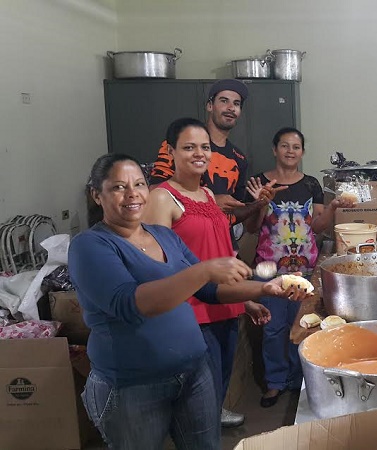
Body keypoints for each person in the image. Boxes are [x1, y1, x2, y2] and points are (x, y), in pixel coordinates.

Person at [69, 153, 311, 449]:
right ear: (97, 194)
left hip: (194, 372)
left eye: (139, 184)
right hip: (132, 384)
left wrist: (265, 289)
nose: (132, 194)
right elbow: (130, 303)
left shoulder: (163, 236)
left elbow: (209, 290)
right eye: (119, 187)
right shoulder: (90, 245)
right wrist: (204, 269)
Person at [141, 118, 282, 427]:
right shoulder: (162, 197)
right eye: (188, 147)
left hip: (224, 308)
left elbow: (217, 254)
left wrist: (244, 302)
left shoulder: (207, 195)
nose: (199, 153)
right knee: (196, 403)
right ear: (171, 152)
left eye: (204, 147)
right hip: (192, 314)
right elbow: (155, 268)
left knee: (216, 390)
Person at [244, 127, 355, 407]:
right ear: (274, 149)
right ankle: (275, 383)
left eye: (296, 147)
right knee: (273, 328)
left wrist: (332, 208)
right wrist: (260, 203)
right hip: (270, 268)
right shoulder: (259, 182)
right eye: (285, 146)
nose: (290, 151)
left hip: (305, 268)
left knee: (303, 326)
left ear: (302, 152)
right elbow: (251, 227)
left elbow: (316, 226)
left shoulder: (311, 184)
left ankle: (299, 380)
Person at [149, 79, 263, 227]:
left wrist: (259, 203)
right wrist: (211, 200)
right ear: (210, 106)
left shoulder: (238, 158)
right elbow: (154, 191)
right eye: (224, 101)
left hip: (223, 244)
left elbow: (233, 213)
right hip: (184, 241)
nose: (230, 108)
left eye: (236, 104)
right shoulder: (180, 143)